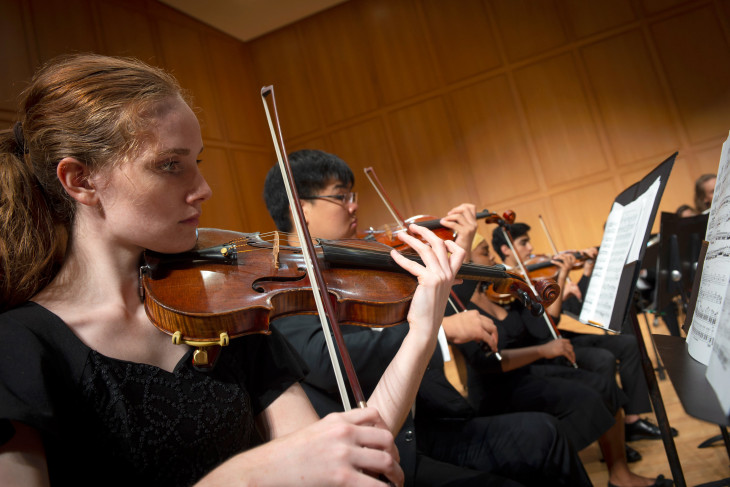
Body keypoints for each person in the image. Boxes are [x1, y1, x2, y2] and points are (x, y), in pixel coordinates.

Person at [0, 54, 465, 487]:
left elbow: (347, 457)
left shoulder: (222, 308)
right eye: (169, 165)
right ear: (80, 180)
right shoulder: (20, 347)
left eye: (196, 162)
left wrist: (421, 332)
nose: (203, 188)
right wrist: (247, 476)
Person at [262, 149, 593, 486]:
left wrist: (458, 249)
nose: (353, 205)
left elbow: (441, 306)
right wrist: (439, 330)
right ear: (300, 208)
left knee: (545, 434)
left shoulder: (356, 265)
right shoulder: (284, 287)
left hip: (428, 418)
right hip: (391, 445)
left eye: (353, 195)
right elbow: (325, 357)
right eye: (340, 197)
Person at [458, 235, 673, 487]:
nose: (492, 257)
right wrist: (544, 351)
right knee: (589, 396)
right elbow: (490, 363)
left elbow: (540, 328)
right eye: (485, 252)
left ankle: (620, 475)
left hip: (528, 370)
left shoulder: (498, 290)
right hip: (500, 387)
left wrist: (550, 284)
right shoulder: (460, 307)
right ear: (464, 256)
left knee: (605, 386)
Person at [491, 222, 678, 443]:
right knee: (603, 359)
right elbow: (545, 324)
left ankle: (632, 421)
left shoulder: (536, 271)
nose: (531, 248)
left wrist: (586, 270)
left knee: (628, 343)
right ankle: (609, 431)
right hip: (540, 346)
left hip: (555, 335)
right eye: (523, 243)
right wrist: (560, 279)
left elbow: (577, 306)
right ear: (505, 249)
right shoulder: (506, 285)